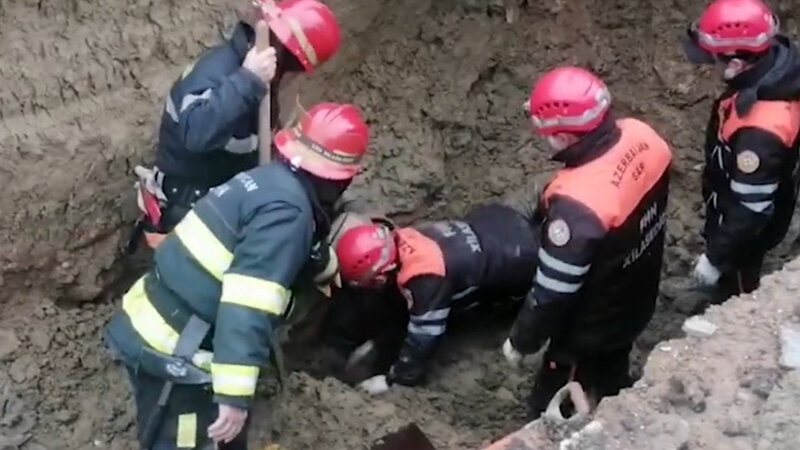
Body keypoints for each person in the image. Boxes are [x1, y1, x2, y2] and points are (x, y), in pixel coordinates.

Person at [105, 102, 369, 450]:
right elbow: (246, 306)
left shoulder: (270, 182)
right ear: (343, 177)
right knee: (187, 441)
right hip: (175, 350)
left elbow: (288, 244)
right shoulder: (289, 215)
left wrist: (323, 264)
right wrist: (233, 397)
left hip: (154, 318)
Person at [501, 66, 672, 419]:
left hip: (589, 326)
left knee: (557, 402)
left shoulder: (577, 209)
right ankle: (614, 399)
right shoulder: (643, 137)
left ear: (563, 136)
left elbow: (552, 292)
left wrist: (522, 341)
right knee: (613, 368)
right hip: (637, 295)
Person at [129, 0, 343, 250]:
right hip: (188, 208)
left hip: (216, 201)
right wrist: (248, 79)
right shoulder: (225, 74)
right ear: (290, 57)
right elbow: (197, 133)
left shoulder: (261, 82)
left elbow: (253, 143)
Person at [333, 202, 540, 393]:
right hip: (498, 219)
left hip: (516, 259)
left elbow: (424, 338)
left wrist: (392, 380)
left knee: (476, 309)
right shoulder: (402, 237)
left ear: (379, 277)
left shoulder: (427, 276)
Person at [681, 0, 800, 297]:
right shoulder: (776, 66)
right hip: (752, 195)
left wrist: (715, 259)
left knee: (740, 280)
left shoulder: (759, 134)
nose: (710, 67)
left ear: (736, 64)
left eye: (714, 60)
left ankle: (736, 299)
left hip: (749, 227)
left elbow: (750, 212)